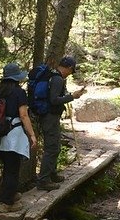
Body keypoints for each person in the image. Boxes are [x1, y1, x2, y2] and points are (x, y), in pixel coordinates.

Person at [0, 62, 37, 212]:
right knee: (12, 169)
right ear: (16, 78)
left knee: (7, 167)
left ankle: (9, 194)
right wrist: (32, 135)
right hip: (12, 136)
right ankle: (7, 204)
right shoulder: (19, 92)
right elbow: (23, 115)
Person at [36, 56, 85, 190]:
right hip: (50, 117)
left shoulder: (54, 76)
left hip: (50, 116)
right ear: (68, 68)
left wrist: (69, 95)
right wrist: (71, 97)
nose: (70, 73)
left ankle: (52, 174)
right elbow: (54, 100)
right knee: (51, 148)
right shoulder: (57, 79)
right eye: (71, 70)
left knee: (55, 146)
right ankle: (43, 181)